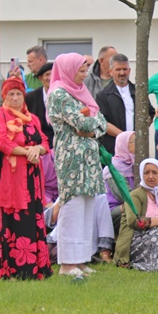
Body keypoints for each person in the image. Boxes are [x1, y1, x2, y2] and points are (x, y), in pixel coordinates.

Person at [47, 52, 111, 278]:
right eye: (81, 71)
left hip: (89, 159)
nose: (85, 75)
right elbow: (80, 122)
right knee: (72, 207)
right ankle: (67, 262)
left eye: (85, 71)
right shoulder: (58, 94)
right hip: (72, 158)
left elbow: (101, 122)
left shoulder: (81, 92)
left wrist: (92, 129)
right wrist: (91, 125)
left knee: (87, 207)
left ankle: (81, 259)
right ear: (68, 70)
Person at [0, 78, 53, 280]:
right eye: (11, 94)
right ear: (4, 96)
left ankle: (34, 269)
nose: (15, 98)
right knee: (12, 217)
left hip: (32, 178)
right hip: (10, 177)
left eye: (18, 94)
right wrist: (27, 152)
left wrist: (37, 149)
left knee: (32, 217)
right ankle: (12, 270)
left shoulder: (32, 118)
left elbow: (45, 142)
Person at [95, 53, 154, 154]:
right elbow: (103, 122)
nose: (122, 73)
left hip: (137, 147)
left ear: (129, 70)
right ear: (111, 71)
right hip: (113, 147)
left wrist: (139, 133)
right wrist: (126, 138)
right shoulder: (103, 95)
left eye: (124, 69)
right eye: (118, 69)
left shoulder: (139, 92)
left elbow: (150, 113)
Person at [104, 131, 136, 213]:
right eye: (133, 141)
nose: (138, 144)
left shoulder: (134, 163)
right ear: (123, 145)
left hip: (134, 205)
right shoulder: (113, 168)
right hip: (113, 209)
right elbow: (125, 196)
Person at [25, 61, 55, 146]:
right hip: (38, 143)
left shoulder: (65, 96)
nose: (50, 78)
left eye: (53, 74)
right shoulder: (31, 97)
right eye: (47, 74)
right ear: (41, 78)